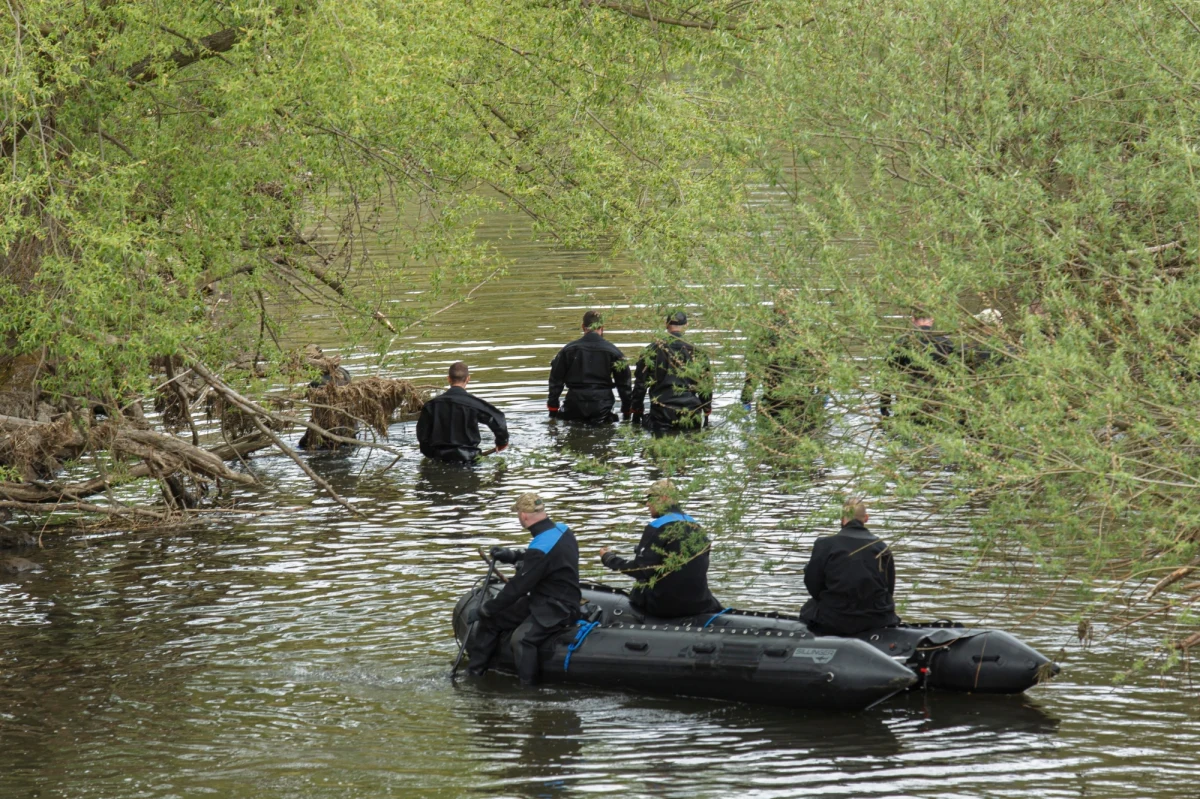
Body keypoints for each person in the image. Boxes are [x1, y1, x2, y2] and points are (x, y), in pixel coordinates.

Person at [466, 493, 581, 685]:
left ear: (523, 515)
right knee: (492, 621)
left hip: (556, 609)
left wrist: (485, 609)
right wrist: (513, 556)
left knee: (522, 640)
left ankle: (528, 691)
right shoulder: (562, 530)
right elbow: (544, 558)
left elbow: (517, 588)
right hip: (549, 598)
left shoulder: (540, 548)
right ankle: (475, 675)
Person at [599, 479, 721, 618]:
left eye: (650, 498)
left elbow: (641, 570)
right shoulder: (697, 527)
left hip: (664, 606)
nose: (647, 504)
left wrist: (609, 559)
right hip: (700, 603)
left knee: (641, 586)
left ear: (664, 498)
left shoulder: (658, 527)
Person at [799, 498, 900, 636]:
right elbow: (889, 589)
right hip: (877, 619)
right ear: (866, 518)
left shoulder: (825, 545)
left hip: (834, 619)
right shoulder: (882, 548)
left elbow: (813, 585)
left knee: (809, 608)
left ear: (842, 519)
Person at [740, 296, 828, 428]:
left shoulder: (763, 334)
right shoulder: (808, 333)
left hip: (773, 404)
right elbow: (823, 368)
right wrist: (822, 394)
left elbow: (753, 371)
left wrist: (746, 401)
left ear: (776, 309)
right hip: (804, 405)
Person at [631, 311, 713, 432]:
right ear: (686, 325)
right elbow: (705, 387)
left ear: (666, 325)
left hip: (662, 412)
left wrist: (636, 411)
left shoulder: (651, 350)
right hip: (691, 411)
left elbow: (640, 385)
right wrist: (706, 410)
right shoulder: (698, 352)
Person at [547, 310, 632, 425]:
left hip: (574, 403)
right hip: (602, 405)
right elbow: (624, 385)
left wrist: (553, 411)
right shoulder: (614, 352)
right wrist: (627, 413)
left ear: (583, 327)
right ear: (602, 328)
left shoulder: (568, 350)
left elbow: (555, 381)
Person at [416, 361, 509, 463]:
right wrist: (502, 442)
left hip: (440, 458)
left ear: (449, 379)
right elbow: (498, 419)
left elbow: (422, 436)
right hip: (469, 459)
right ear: (468, 379)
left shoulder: (431, 405)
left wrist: (431, 454)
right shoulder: (474, 404)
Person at [879, 312, 956, 418]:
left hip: (908, 401)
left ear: (912, 319)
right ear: (932, 319)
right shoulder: (946, 343)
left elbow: (889, 374)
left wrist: (884, 403)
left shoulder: (902, 342)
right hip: (938, 401)